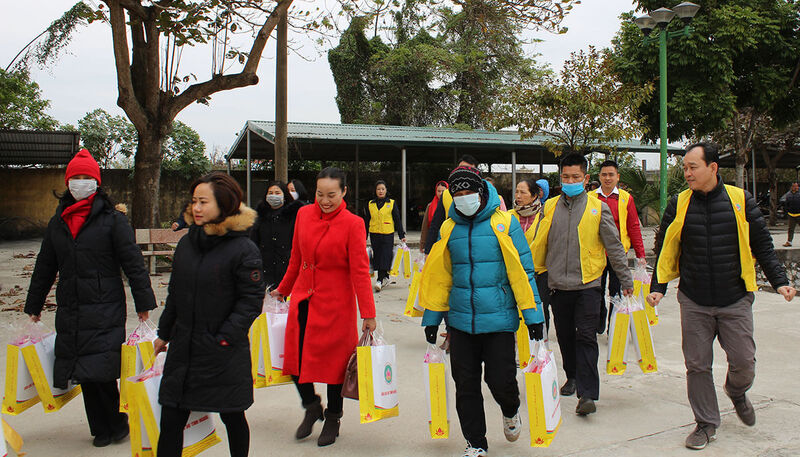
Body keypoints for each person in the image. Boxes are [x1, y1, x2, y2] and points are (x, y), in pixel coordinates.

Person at [647, 142, 796, 450]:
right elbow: (664, 247)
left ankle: (736, 390)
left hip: (735, 297)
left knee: (744, 361)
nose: (687, 173)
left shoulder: (741, 200)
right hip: (694, 299)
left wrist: (780, 281)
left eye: (693, 167)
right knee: (697, 365)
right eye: (685, 168)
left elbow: (763, 245)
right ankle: (706, 423)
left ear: (712, 168)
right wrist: (657, 288)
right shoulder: (679, 203)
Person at [25, 149, 156, 447]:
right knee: (82, 370)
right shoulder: (58, 222)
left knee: (102, 369)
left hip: (104, 305)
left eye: (86, 177)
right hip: (71, 306)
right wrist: (34, 305)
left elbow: (132, 262)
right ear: (67, 182)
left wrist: (144, 302)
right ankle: (100, 428)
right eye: (76, 177)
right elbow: (45, 266)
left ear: (96, 182)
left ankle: (117, 424)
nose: (81, 182)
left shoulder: (113, 220)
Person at [419, 166, 543, 457]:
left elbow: (524, 272)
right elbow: (440, 277)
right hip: (460, 321)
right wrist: (432, 319)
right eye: (458, 194)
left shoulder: (505, 224)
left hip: (499, 320)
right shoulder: (448, 228)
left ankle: (510, 409)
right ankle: (475, 442)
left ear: (481, 192)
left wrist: (534, 317)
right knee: (465, 385)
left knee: (500, 381)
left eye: (469, 192)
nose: (464, 198)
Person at [153, 172, 265, 457]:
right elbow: (175, 293)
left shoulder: (243, 249)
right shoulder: (187, 244)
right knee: (171, 418)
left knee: (232, 415)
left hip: (222, 352)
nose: (196, 208)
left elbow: (251, 301)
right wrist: (164, 333)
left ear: (224, 204)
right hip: (183, 349)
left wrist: (225, 337)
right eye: (194, 201)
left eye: (203, 202)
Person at [270, 167, 376, 447]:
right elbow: (296, 258)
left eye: (331, 195)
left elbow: (360, 272)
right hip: (303, 299)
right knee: (294, 360)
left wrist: (368, 314)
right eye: (320, 194)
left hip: (336, 305)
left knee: (335, 367)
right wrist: (283, 290)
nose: (325, 201)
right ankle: (311, 405)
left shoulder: (353, 223)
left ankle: (333, 417)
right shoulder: (304, 215)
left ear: (344, 192)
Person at [531, 152, 633, 416]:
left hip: (588, 284)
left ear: (586, 179)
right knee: (565, 336)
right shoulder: (549, 207)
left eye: (575, 177)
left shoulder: (598, 208)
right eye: (565, 177)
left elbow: (614, 246)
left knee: (586, 337)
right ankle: (573, 376)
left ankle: (587, 394)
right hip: (557, 285)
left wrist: (625, 278)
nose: (570, 181)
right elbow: (539, 242)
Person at [590, 160, 647, 333]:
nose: (607, 178)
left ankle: (614, 327)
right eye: (604, 175)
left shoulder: (625, 198)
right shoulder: (590, 198)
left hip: (618, 254)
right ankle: (599, 318)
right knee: (596, 290)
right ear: (599, 176)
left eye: (611, 174)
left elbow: (633, 226)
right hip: (596, 254)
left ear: (618, 177)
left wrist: (641, 254)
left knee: (617, 292)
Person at [509, 178, 551, 332]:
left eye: (523, 192)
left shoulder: (544, 216)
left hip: (539, 272)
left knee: (540, 310)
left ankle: (540, 343)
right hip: (515, 272)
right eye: (517, 192)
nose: (518, 196)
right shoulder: (508, 216)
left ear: (534, 196)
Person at [251, 181, 304, 288]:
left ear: (284, 195)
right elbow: (254, 241)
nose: (273, 196)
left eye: (277, 193)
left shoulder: (294, 216)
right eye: (270, 193)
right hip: (265, 268)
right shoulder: (260, 216)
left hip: (287, 268)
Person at [424, 154, 480, 254]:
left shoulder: (485, 193)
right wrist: (428, 250)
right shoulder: (446, 194)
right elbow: (436, 224)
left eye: (468, 169)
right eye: (460, 169)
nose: (463, 172)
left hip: (480, 243)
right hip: (454, 244)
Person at [365, 180, 406, 291]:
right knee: (378, 256)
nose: (381, 191)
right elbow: (367, 221)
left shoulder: (391, 203)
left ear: (386, 190)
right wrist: (364, 236)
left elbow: (397, 220)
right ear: (375, 191)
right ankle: (385, 277)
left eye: (383, 189)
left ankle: (379, 280)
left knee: (385, 256)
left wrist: (401, 235)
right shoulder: (370, 204)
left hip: (387, 234)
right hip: (375, 234)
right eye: (378, 189)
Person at [420, 180, 449, 254]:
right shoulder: (430, 206)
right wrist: (423, 244)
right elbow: (425, 226)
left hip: (447, 239)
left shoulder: (451, 205)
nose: (441, 193)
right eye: (438, 191)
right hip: (434, 239)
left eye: (443, 191)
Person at [781, 182, 800, 246]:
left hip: (799, 214)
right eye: (793, 186)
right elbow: (786, 204)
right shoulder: (788, 194)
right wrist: (787, 211)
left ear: (798, 187)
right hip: (791, 215)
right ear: (791, 187)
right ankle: (789, 242)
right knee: (790, 229)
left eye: (796, 186)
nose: (795, 187)